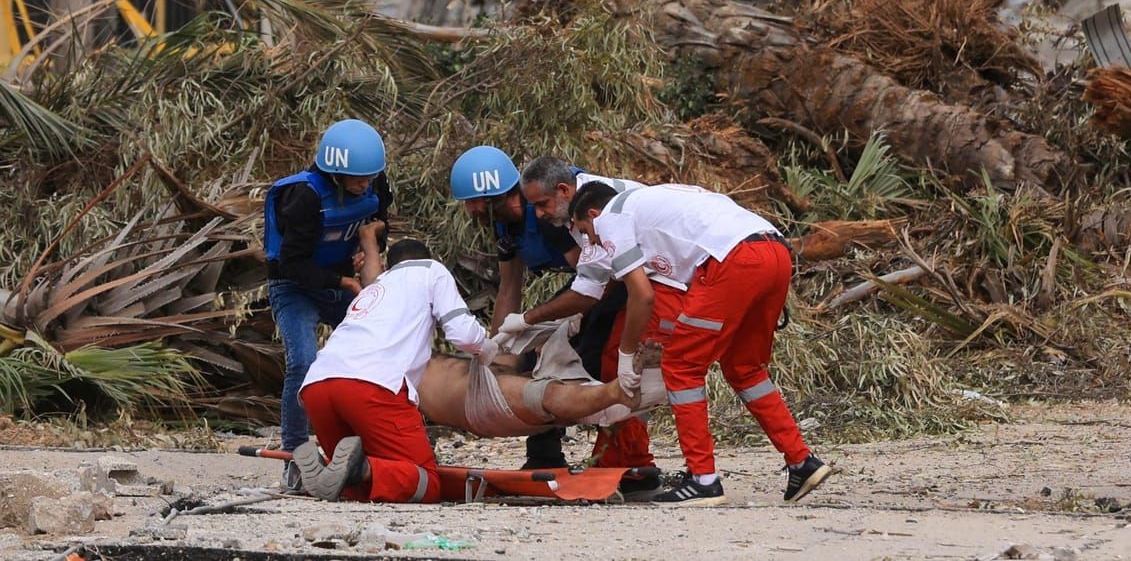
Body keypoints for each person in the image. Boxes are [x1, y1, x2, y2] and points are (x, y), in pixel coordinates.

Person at [567, 179, 832, 507]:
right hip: (774, 250)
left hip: (734, 259)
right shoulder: (653, 204)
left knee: (681, 366)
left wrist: (625, 355)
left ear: (593, 214)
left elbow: (642, 295)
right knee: (745, 368)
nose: (590, 240)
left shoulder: (610, 217)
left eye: (584, 230)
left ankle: (703, 480)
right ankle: (801, 461)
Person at [448, 147, 650, 478]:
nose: (470, 210)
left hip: (612, 280)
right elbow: (509, 286)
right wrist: (497, 349)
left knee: (588, 357)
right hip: (589, 281)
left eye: (475, 201)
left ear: (497, 195)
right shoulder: (505, 227)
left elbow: (595, 280)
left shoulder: (548, 216)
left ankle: (620, 455)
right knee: (528, 359)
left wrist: (569, 323)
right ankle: (544, 453)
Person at [294, 236, 494, 502]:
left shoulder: (375, 288)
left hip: (317, 386)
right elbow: (464, 335)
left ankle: (329, 472)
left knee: (351, 491)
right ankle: (360, 468)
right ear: (427, 258)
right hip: (372, 385)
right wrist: (489, 349)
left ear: (389, 265)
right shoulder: (430, 270)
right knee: (426, 481)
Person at [264, 119, 392, 477]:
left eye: (371, 177)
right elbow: (291, 264)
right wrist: (345, 281)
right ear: (335, 173)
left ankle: (370, 446)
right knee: (303, 362)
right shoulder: (303, 198)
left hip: (343, 278)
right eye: (357, 179)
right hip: (296, 286)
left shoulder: (373, 182)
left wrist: (367, 247)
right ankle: (294, 456)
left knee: (370, 356)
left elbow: (380, 224)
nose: (365, 184)